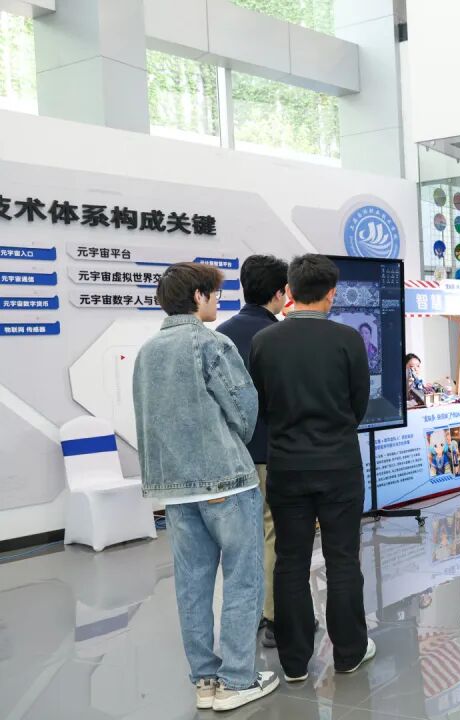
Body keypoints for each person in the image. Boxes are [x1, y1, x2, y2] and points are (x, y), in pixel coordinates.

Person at [132, 262, 278, 712]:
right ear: (197, 296)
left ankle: (206, 680)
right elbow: (243, 409)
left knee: (191, 586)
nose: (217, 301)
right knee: (242, 579)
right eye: (213, 294)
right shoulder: (211, 343)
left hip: (176, 490)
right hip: (225, 480)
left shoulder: (147, 352)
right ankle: (237, 679)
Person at [249, 254, 375, 682]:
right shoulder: (348, 340)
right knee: (343, 559)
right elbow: (358, 404)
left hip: (286, 466)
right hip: (339, 464)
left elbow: (260, 405)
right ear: (331, 294)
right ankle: (349, 653)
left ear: (290, 290)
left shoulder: (264, 342)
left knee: (290, 561)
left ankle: (294, 661)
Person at [216, 254, 288, 649]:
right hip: (272, 452)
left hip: (232, 455)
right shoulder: (280, 336)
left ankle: (248, 615)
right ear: (279, 293)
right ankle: (275, 617)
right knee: (274, 533)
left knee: (242, 538)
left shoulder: (220, 335)